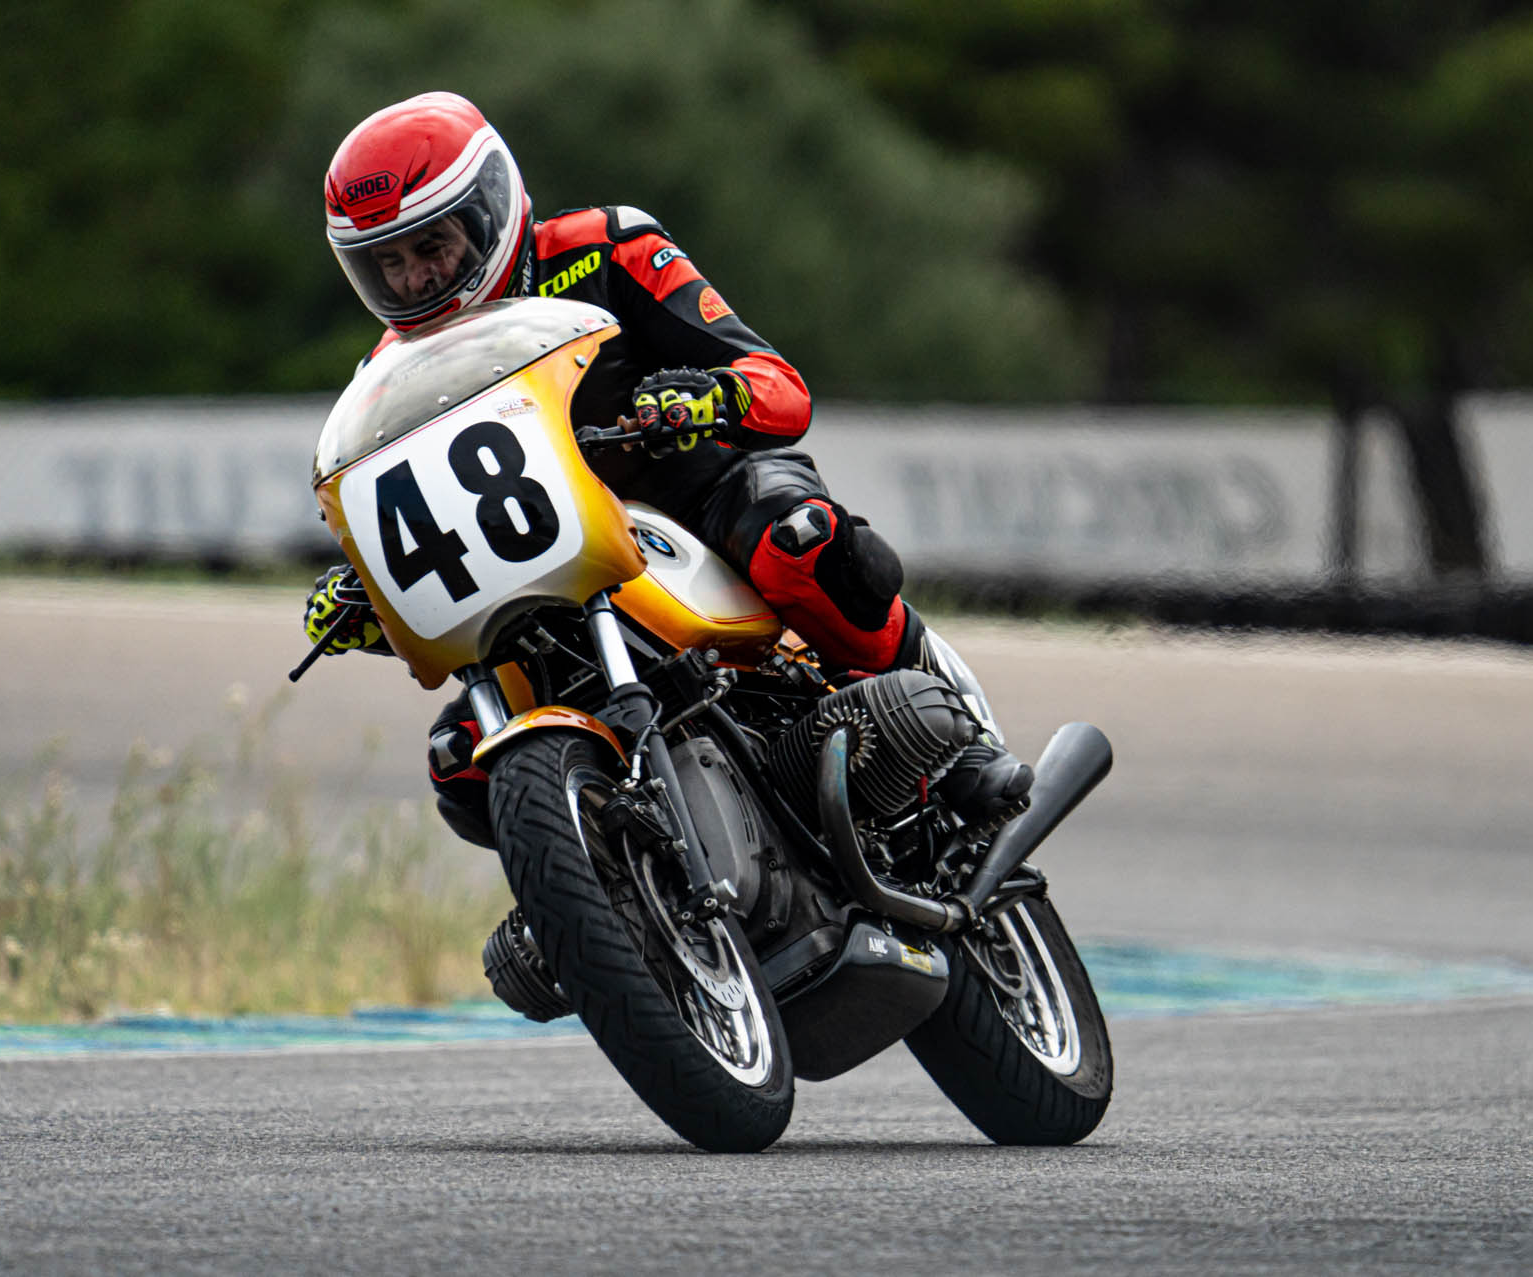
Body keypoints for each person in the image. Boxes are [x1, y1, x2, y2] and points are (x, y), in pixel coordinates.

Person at [302, 90, 1032, 864]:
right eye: (388, 263)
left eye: (432, 247)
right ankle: (605, 893)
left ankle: (958, 743)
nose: (416, 279)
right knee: (458, 760)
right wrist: (366, 591)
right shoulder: (387, 377)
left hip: (701, 493)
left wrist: (708, 397)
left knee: (801, 543)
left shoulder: (605, 246)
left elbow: (780, 387)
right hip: (553, 567)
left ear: (489, 212)